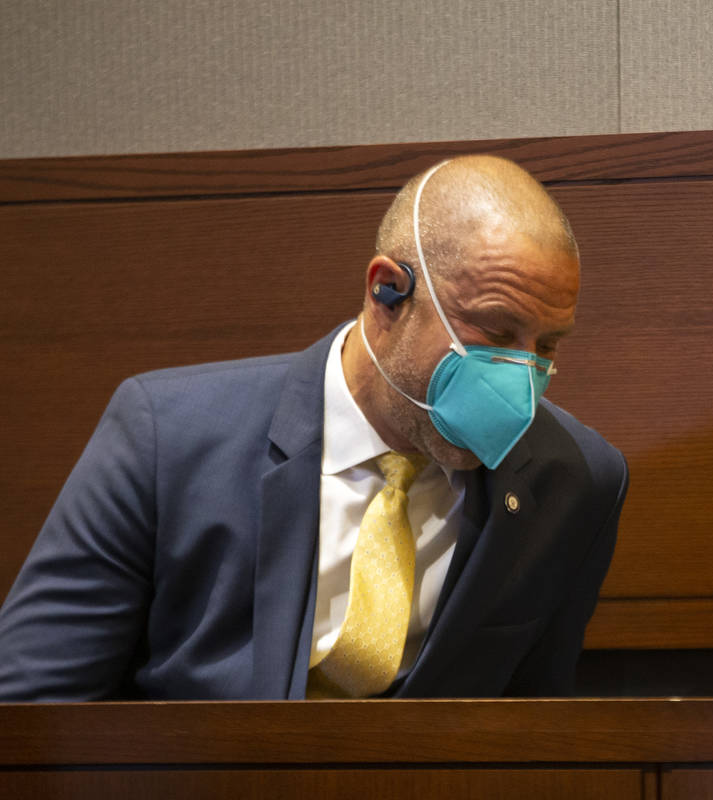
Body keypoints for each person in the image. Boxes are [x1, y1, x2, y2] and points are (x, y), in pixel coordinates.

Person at [0, 155, 628, 701]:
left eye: (545, 346)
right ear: (388, 291)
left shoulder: (575, 480)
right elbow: (33, 712)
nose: (523, 379)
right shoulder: (167, 437)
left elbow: (535, 731)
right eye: (494, 333)